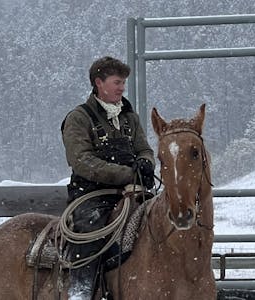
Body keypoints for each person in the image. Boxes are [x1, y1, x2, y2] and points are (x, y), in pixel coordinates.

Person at [61, 56, 155, 299]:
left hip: (134, 191)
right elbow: (82, 161)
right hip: (93, 196)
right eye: (117, 82)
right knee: (89, 229)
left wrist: (146, 163)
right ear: (99, 83)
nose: (122, 87)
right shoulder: (78, 119)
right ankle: (80, 290)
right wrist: (127, 174)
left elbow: (144, 149)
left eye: (123, 83)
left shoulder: (130, 118)